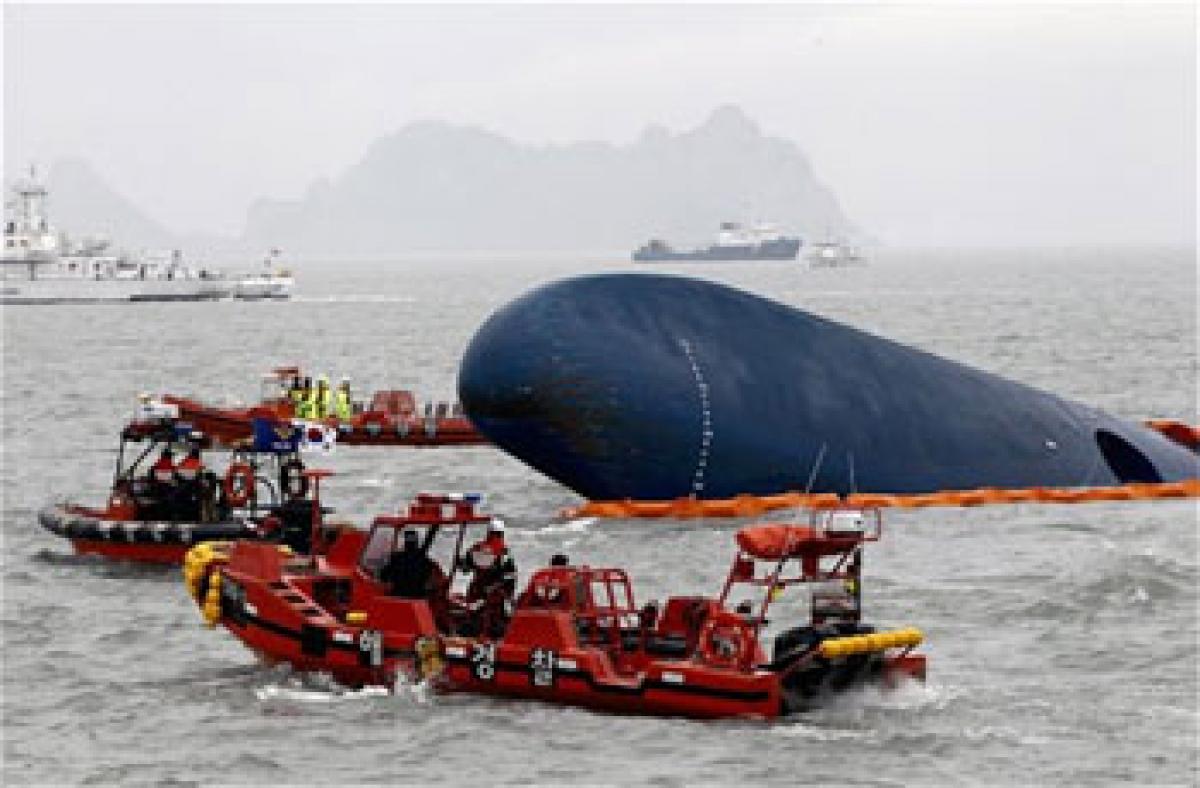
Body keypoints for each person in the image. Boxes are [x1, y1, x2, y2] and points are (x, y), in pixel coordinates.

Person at [464, 520, 518, 635]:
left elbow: (465, 568)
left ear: (489, 532)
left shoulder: (476, 548)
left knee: (474, 615)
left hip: (476, 590)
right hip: (494, 593)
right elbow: (510, 576)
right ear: (502, 534)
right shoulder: (503, 552)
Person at [380, 528, 444, 600]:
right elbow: (436, 580)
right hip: (417, 598)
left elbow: (383, 577)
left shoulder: (395, 559)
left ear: (405, 542)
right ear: (416, 542)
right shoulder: (426, 562)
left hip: (397, 597)